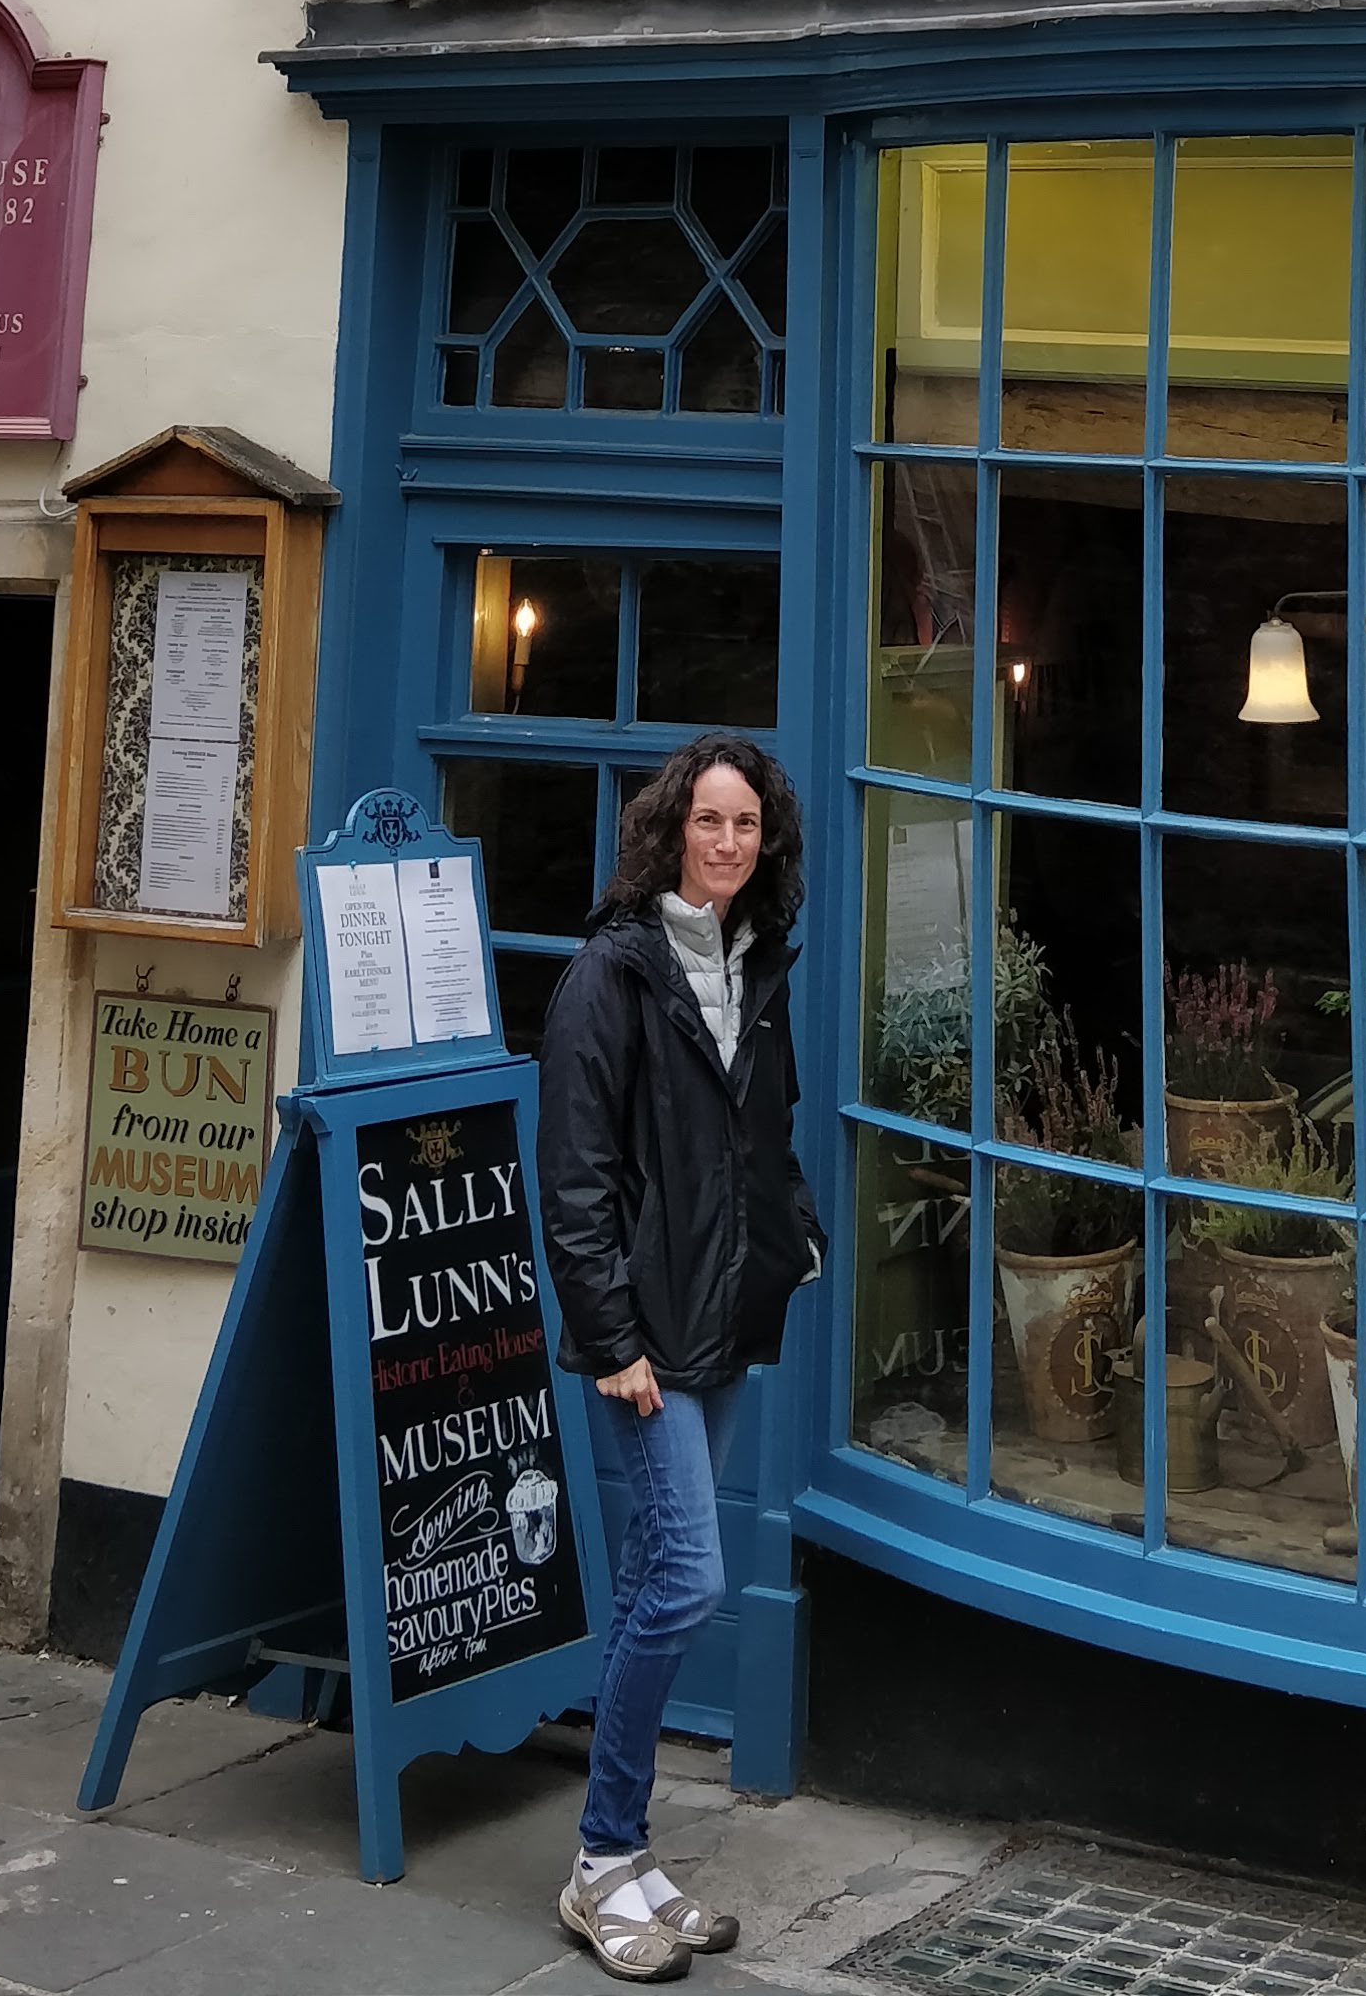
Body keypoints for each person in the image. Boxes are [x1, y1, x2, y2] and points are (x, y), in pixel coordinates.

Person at [536, 731, 825, 1980]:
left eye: (746, 826)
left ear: (767, 844)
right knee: (689, 1585)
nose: (726, 843)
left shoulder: (754, 964)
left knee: (663, 1572)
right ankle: (603, 1861)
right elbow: (576, 1177)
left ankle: (621, 1851)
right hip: (645, 1345)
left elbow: (769, 1137)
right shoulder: (612, 976)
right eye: (708, 822)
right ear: (669, 831)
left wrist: (797, 1241)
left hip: (722, 1327)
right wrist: (611, 1342)